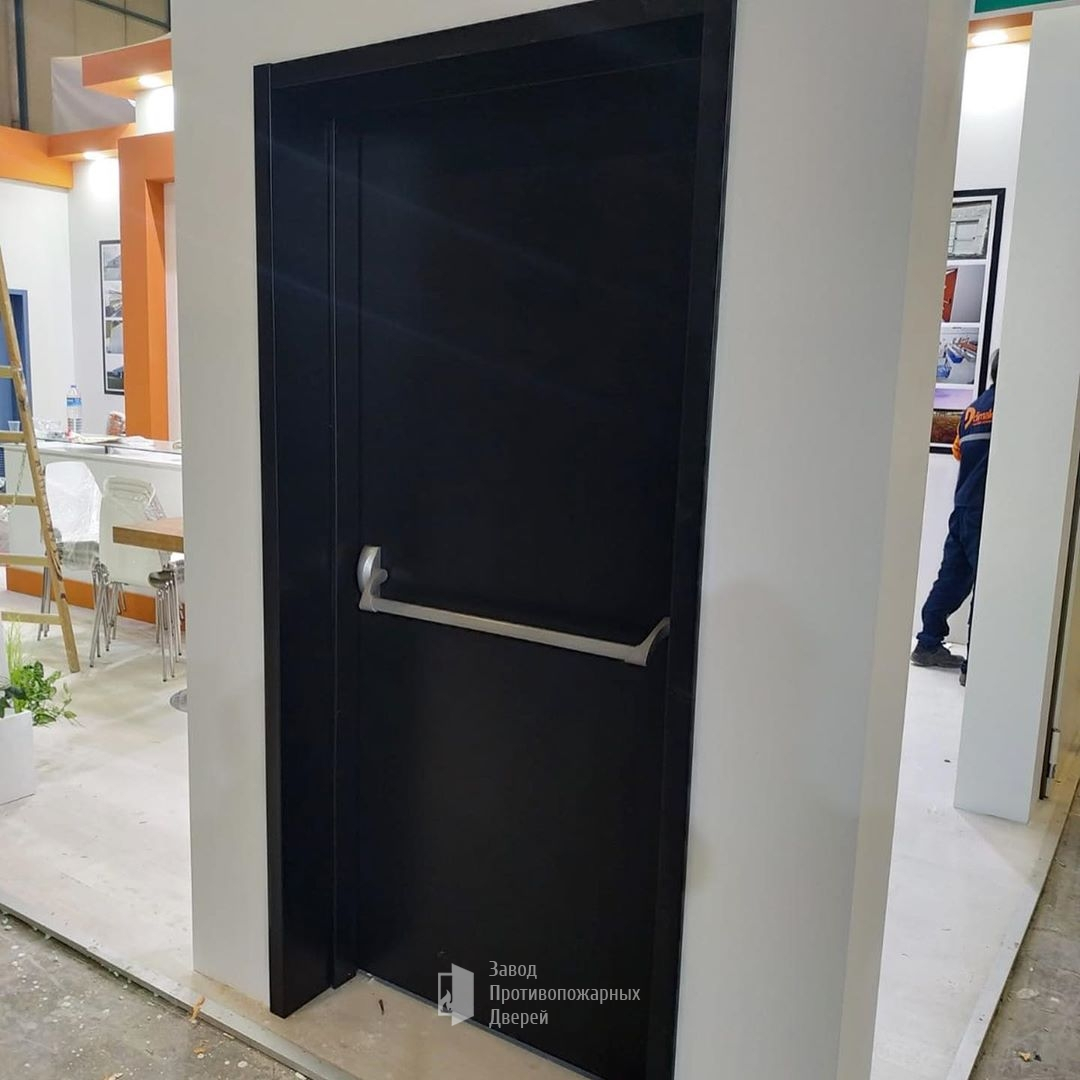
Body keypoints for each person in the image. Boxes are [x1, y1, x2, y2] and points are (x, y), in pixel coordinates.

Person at [911, 349, 998, 684]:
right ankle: (976, 665)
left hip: (963, 506)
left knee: (952, 577)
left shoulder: (973, 410)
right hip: (987, 509)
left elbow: (959, 452)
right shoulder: (1013, 407)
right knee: (988, 583)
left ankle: (928, 643)